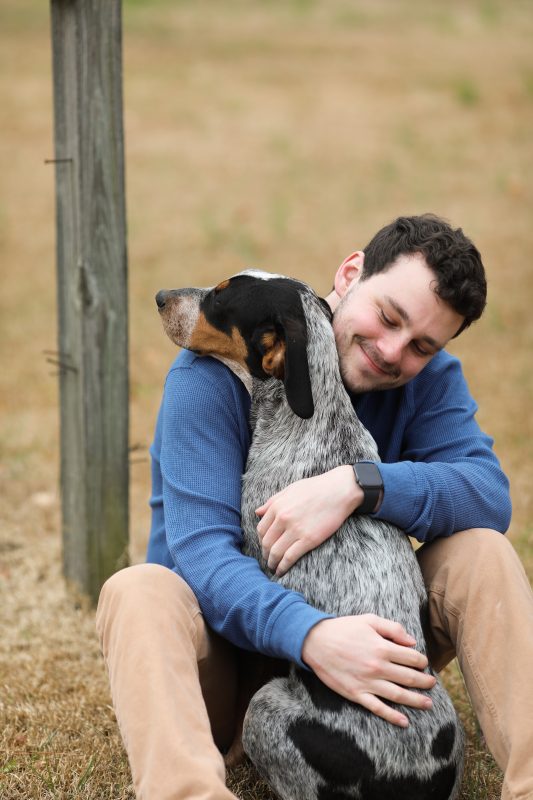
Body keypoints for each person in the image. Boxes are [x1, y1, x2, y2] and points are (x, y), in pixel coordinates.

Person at [96, 214, 533, 800]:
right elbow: (201, 554)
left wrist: (359, 484)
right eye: (388, 317)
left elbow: (488, 495)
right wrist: (313, 637)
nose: (392, 351)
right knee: (137, 590)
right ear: (350, 274)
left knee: (482, 551)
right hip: (229, 658)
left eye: (422, 346)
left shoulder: (427, 379)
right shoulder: (217, 370)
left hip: (368, 670)